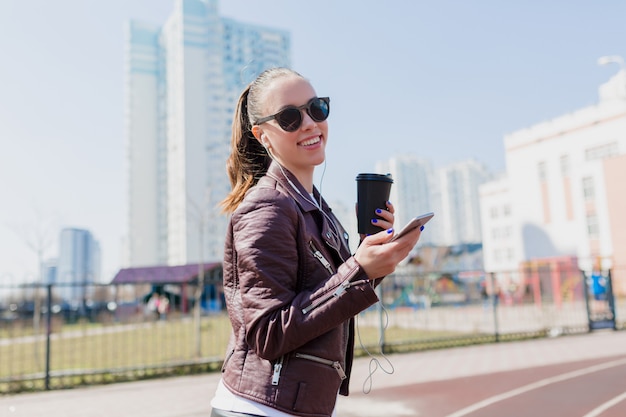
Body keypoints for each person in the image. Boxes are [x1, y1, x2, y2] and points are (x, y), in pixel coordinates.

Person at [210, 67, 423, 417]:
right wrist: (358, 270)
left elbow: (327, 293)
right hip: (261, 408)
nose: (310, 123)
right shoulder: (267, 207)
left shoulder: (314, 206)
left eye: (317, 109)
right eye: (290, 117)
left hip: (297, 405)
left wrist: (373, 256)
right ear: (262, 135)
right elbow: (268, 333)